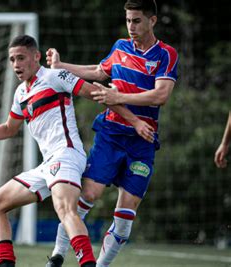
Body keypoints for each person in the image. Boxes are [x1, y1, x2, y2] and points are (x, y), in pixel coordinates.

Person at [0, 35, 152, 267]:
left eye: (21, 58)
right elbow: (8, 129)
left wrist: (135, 121)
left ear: (36, 57)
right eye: (11, 59)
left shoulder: (55, 76)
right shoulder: (20, 94)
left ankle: (87, 263)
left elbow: (98, 95)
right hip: (47, 165)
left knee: (65, 208)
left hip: (67, 154)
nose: (16, 64)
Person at [45, 0, 179, 266]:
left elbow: (161, 95)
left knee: (125, 217)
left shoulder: (166, 54)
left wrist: (118, 94)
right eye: (128, 20)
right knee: (88, 195)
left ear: (152, 21)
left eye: (137, 20)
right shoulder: (120, 47)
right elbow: (97, 71)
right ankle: (58, 255)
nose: (131, 26)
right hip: (111, 133)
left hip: (142, 141)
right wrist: (61, 66)